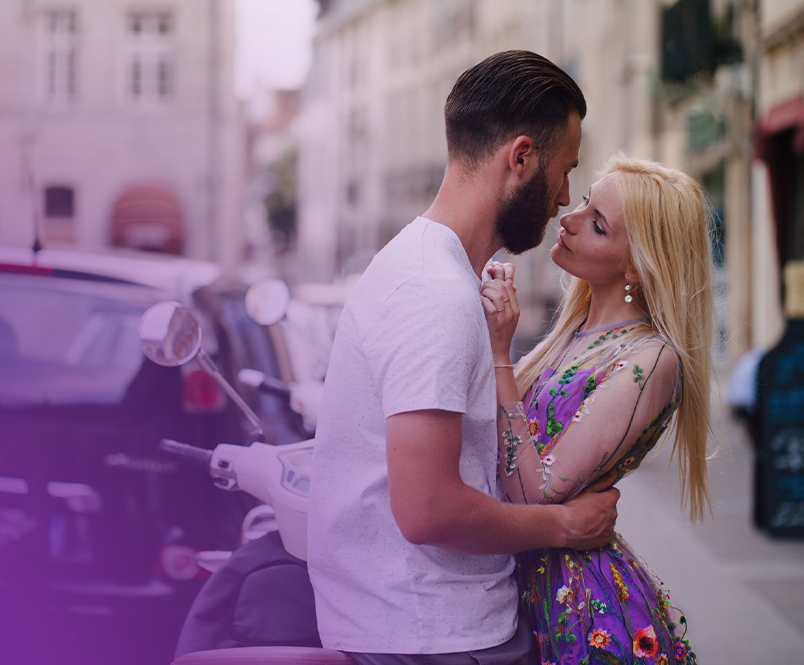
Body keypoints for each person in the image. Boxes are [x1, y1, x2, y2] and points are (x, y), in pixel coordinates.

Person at [307, 50, 620, 665]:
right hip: (432, 635)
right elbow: (428, 508)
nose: (563, 196)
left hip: (416, 625)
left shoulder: (429, 268)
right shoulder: (434, 293)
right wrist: (567, 527)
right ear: (521, 157)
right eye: (564, 171)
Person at [481, 155, 714, 665]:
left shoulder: (650, 360)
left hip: (583, 618)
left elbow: (532, 492)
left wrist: (500, 354)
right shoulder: (572, 334)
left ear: (635, 263)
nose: (569, 217)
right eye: (586, 200)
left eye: (598, 224)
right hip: (522, 592)